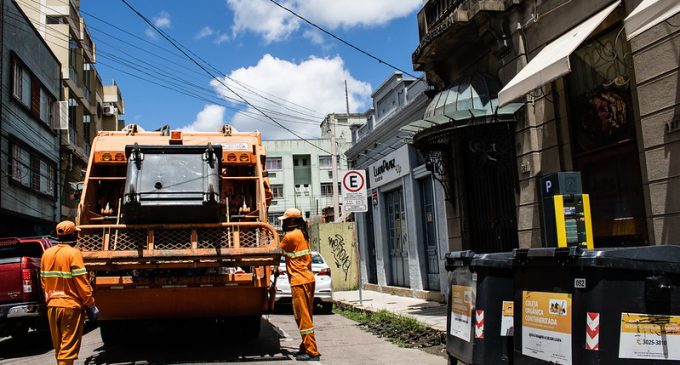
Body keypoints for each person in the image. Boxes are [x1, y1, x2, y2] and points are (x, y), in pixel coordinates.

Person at [41, 221, 99, 365]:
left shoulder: (46, 254)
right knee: (67, 350)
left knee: (59, 349)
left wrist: (50, 300)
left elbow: (43, 282)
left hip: (52, 306)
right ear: (73, 235)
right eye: (77, 234)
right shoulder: (74, 254)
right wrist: (90, 304)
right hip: (70, 307)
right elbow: (82, 283)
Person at [275, 208, 320, 361]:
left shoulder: (290, 236)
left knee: (302, 317)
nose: (283, 223)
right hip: (308, 279)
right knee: (307, 315)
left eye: (285, 220)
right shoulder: (302, 234)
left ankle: (311, 351)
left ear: (291, 221)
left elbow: (275, 251)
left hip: (299, 281)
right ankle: (305, 346)